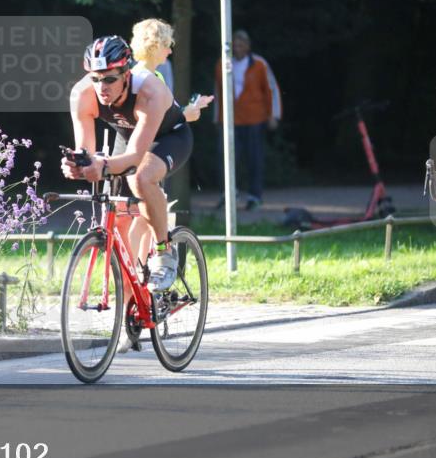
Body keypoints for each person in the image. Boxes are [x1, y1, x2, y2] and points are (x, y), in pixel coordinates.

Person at [61, 35, 207, 299]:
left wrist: (102, 165)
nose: (101, 87)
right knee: (118, 217)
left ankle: (164, 251)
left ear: (127, 74)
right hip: (126, 137)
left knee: (141, 178)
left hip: (168, 138)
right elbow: (87, 151)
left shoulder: (150, 91)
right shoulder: (82, 94)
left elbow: (137, 156)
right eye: (95, 78)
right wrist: (78, 164)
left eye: (109, 79)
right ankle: (131, 305)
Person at [122, 19, 212, 269]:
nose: (171, 51)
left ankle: (143, 274)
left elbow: (162, 117)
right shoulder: (142, 77)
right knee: (143, 215)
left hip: (154, 145)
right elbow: (159, 119)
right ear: (155, 46)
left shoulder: (156, 74)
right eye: (167, 45)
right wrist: (186, 115)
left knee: (145, 217)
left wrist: (189, 110)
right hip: (148, 148)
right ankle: (137, 272)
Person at [213, 29, 282, 211]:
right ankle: (228, 194)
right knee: (225, 158)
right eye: (235, 45)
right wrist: (216, 117)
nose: (238, 48)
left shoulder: (259, 64)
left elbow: (271, 89)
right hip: (229, 120)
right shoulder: (222, 64)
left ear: (248, 46)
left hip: (254, 119)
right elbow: (217, 92)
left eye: (241, 44)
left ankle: (254, 196)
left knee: (254, 158)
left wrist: (273, 115)